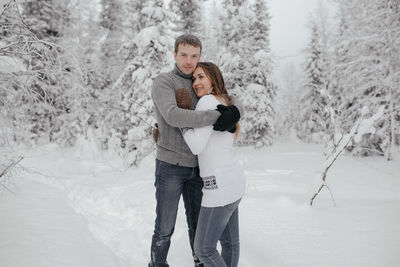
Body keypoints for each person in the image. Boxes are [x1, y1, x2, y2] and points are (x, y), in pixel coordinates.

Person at [149, 34, 243, 267]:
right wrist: (218, 116)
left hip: (199, 169)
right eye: (183, 55)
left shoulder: (200, 81)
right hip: (171, 165)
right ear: (174, 55)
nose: (189, 61)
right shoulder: (165, 82)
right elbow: (173, 115)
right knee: (164, 227)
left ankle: (200, 264)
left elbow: (229, 96)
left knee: (197, 225)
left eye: (194, 56)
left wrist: (236, 111)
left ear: (199, 56)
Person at [180, 62, 246, 267]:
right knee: (229, 243)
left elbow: (196, 146)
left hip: (217, 187)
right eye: (194, 79)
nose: (196, 83)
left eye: (201, 77)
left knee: (204, 250)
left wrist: (182, 118)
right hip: (234, 182)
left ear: (213, 79)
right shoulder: (223, 100)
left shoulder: (207, 101)